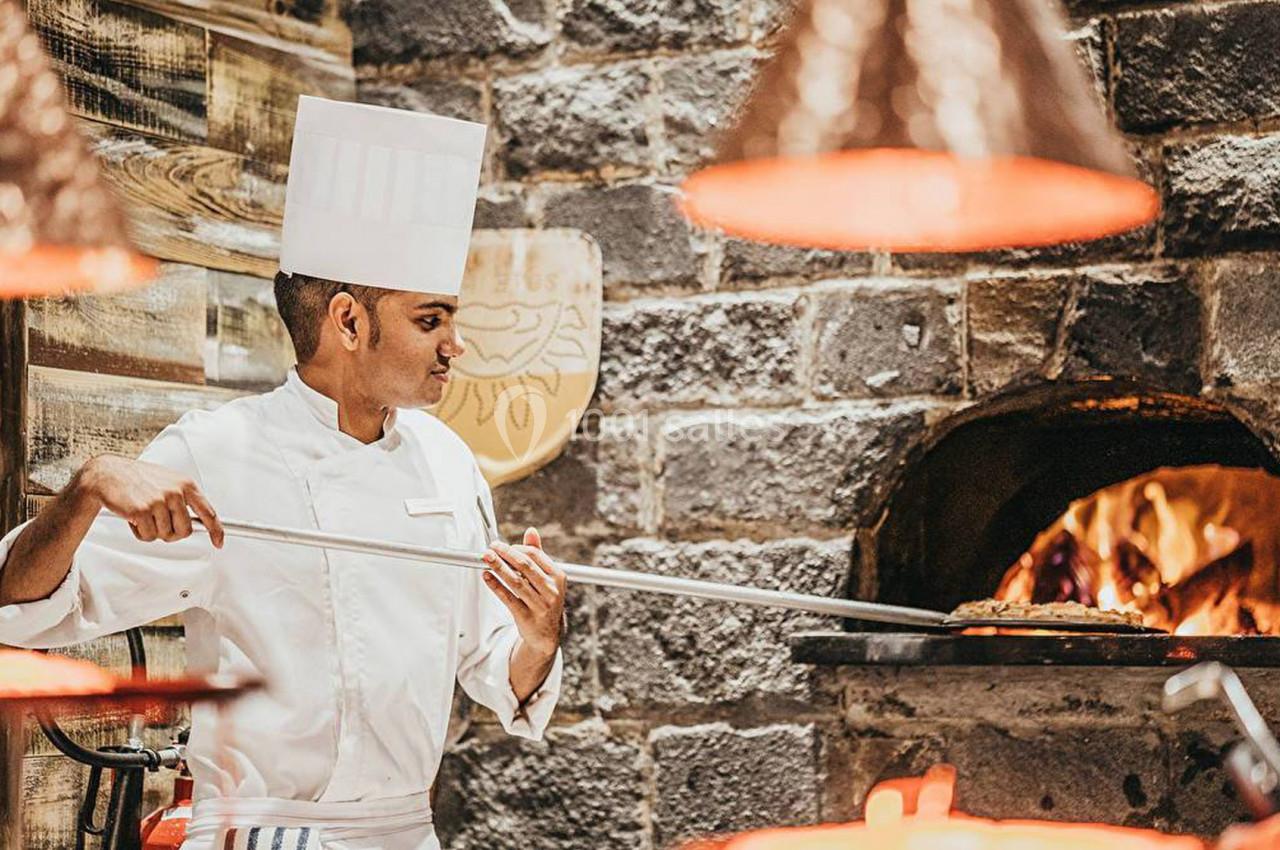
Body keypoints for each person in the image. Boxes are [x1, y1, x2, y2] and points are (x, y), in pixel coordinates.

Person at [0, 96, 565, 850]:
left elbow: (493, 666)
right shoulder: (217, 453)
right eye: (431, 320)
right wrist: (86, 487)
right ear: (349, 322)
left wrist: (537, 636)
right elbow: (20, 608)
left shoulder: (448, 461)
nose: (455, 344)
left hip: (402, 834)